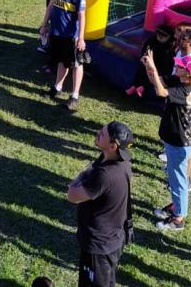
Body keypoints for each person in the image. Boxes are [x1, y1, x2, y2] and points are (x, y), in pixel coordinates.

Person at [142, 45, 191, 232]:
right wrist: (148, 66)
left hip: (180, 142)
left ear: (188, 74)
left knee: (179, 181)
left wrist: (153, 65)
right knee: (175, 177)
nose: (176, 67)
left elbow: (161, 92)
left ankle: (178, 219)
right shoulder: (178, 80)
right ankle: (177, 207)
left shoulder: (186, 91)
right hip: (173, 139)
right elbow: (156, 81)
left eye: (180, 66)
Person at [67, 121, 134, 287]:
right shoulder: (123, 164)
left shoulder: (104, 175)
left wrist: (82, 175)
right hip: (113, 239)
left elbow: (72, 195)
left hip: (99, 246)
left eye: (102, 134)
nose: (98, 133)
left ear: (112, 146)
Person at [38, 0, 87, 111]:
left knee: (76, 64)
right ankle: (57, 87)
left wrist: (81, 38)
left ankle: (75, 96)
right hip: (56, 32)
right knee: (61, 61)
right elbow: (51, 6)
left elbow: (82, 16)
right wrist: (45, 25)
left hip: (71, 36)